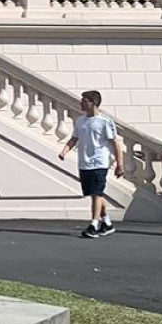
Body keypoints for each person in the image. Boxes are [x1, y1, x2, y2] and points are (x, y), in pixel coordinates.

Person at [59, 90, 124, 238]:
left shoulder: (104, 121)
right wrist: (64, 151)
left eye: (84, 101)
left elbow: (115, 143)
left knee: (96, 193)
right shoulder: (80, 121)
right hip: (84, 162)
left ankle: (94, 223)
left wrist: (120, 164)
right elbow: (74, 139)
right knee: (94, 194)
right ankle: (106, 222)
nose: (81, 103)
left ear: (93, 103)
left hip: (99, 162)